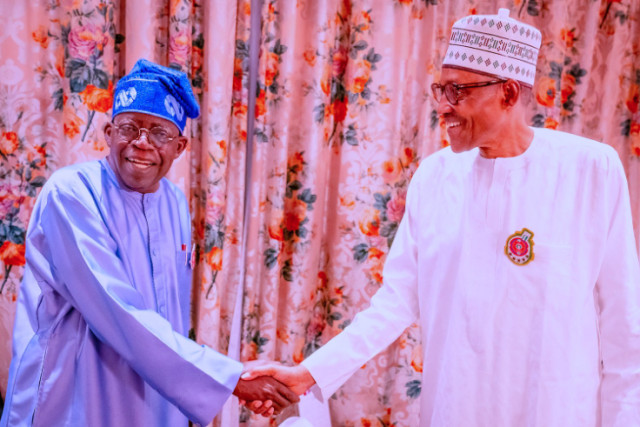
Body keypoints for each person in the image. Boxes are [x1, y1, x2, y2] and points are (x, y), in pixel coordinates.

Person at [243, 9, 640, 426]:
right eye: (440, 90)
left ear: (506, 93)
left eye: (457, 92)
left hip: (556, 411)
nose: (442, 107)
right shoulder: (434, 177)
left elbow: (624, 328)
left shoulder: (591, 170)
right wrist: (309, 374)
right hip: (456, 407)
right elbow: (393, 304)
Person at [0, 59, 298, 427]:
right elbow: (116, 308)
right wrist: (230, 379)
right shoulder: (71, 193)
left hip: (152, 396)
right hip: (73, 395)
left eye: (159, 132)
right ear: (109, 133)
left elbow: (170, 313)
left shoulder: (174, 202)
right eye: (129, 127)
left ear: (180, 146)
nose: (141, 143)